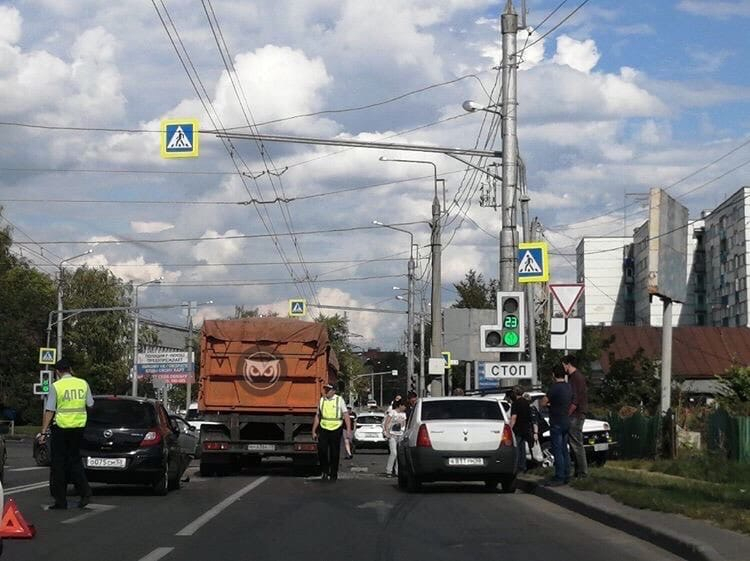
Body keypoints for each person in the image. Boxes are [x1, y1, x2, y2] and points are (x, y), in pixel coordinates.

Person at [39, 358, 93, 509]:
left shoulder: (56, 386)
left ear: (57, 372)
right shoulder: (83, 383)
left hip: (61, 428)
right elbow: (90, 404)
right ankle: (85, 492)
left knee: (58, 464)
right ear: (70, 369)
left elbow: (50, 410)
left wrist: (43, 432)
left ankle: (61, 501)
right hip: (78, 427)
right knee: (75, 461)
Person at [312, 383, 351, 482]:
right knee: (322, 450)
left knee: (334, 452)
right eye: (325, 389)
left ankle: (333, 473)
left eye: (328, 390)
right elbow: (318, 416)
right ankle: (325, 471)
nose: (326, 391)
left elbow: (346, 415)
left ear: (334, 391)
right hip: (324, 428)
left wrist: (348, 430)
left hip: (336, 428)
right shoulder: (322, 400)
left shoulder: (339, 400)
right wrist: (314, 430)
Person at [543, 364, 573, 486]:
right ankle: (567, 474)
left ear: (554, 375)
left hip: (556, 421)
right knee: (564, 449)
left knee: (557, 450)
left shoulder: (554, 388)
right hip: (566, 420)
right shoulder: (568, 387)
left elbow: (543, 402)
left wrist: (549, 404)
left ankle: (559, 476)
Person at [563, 354, 589, 478]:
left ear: (568, 364)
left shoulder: (576, 378)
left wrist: (568, 413)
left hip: (576, 414)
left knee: (576, 444)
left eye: (563, 365)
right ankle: (578, 471)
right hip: (577, 413)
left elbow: (575, 399)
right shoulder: (575, 377)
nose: (563, 368)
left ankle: (583, 472)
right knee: (575, 443)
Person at [508, 386, 534, 473]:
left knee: (517, 448)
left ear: (515, 393)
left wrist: (510, 428)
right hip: (526, 428)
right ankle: (523, 466)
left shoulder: (515, 404)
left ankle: (518, 467)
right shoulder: (526, 402)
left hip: (518, 429)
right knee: (522, 447)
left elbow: (514, 418)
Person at [383, 398, 407, 477]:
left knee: (399, 454)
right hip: (392, 435)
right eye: (404, 406)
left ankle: (397, 471)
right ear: (400, 405)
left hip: (400, 435)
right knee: (393, 453)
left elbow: (404, 424)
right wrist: (386, 432)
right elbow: (386, 422)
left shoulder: (403, 414)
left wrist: (403, 432)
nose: (405, 408)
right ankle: (388, 471)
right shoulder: (392, 412)